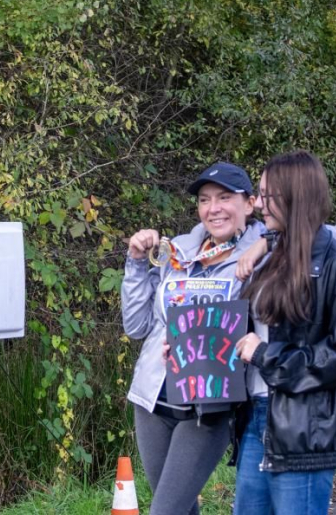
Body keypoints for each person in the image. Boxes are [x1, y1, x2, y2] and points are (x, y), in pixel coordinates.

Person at [234, 150, 336, 515]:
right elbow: (251, 331)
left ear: (295, 194)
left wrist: (266, 356)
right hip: (258, 419)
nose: (260, 204)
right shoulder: (273, 254)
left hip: (305, 430)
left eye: (268, 195)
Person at [121, 162, 265, 515]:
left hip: (208, 409)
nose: (213, 208)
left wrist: (265, 243)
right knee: (181, 511)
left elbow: (324, 238)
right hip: (153, 401)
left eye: (225, 197)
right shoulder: (179, 253)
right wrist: (137, 263)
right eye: (204, 200)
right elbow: (137, 327)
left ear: (250, 203)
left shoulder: (265, 254)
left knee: (165, 511)